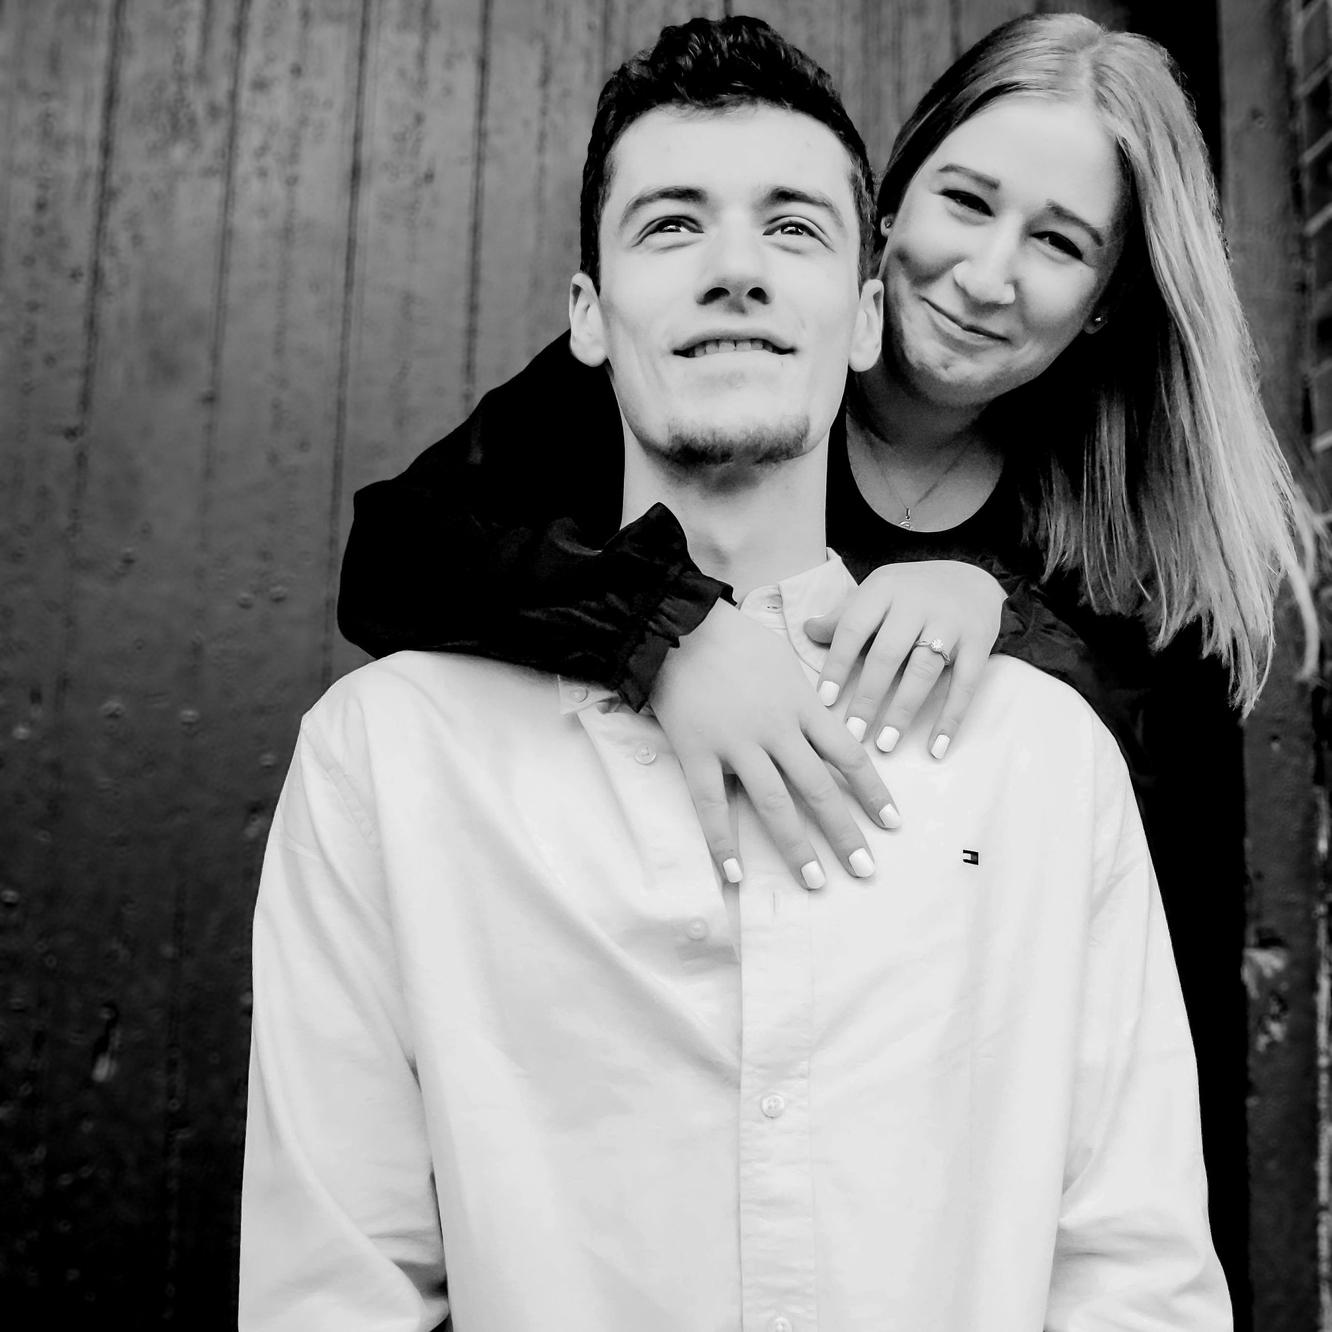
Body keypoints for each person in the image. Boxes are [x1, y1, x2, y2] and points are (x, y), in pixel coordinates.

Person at [242, 17, 1230, 1328]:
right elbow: (404, 548)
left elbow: (1123, 1207)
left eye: (1058, 242)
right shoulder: (406, 731)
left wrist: (995, 607)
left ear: (1105, 299)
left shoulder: (1075, 644)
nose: (987, 276)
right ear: (893, 222)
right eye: (967, 201)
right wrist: (669, 632)